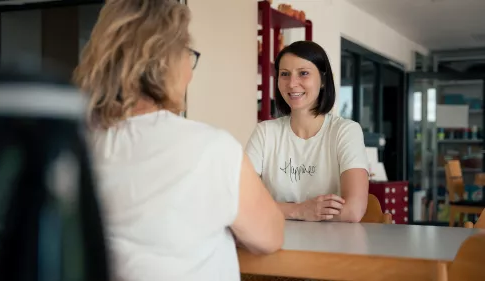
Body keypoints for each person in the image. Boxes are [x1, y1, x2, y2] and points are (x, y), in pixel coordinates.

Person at [73, 1, 284, 280]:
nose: (191, 71)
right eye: (187, 53)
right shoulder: (212, 149)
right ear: (167, 61)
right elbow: (270, 235)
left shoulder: (72, 144)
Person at [246, 41, 369, 223]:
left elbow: (353, 210)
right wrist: (299, 210)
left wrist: (275, 208)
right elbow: (242, 202)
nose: (292, 83)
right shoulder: (265, 132)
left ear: (322, 80)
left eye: (303, 73)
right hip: (275, 241)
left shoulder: (345, 131)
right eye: (284, 74)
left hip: (331, 245)